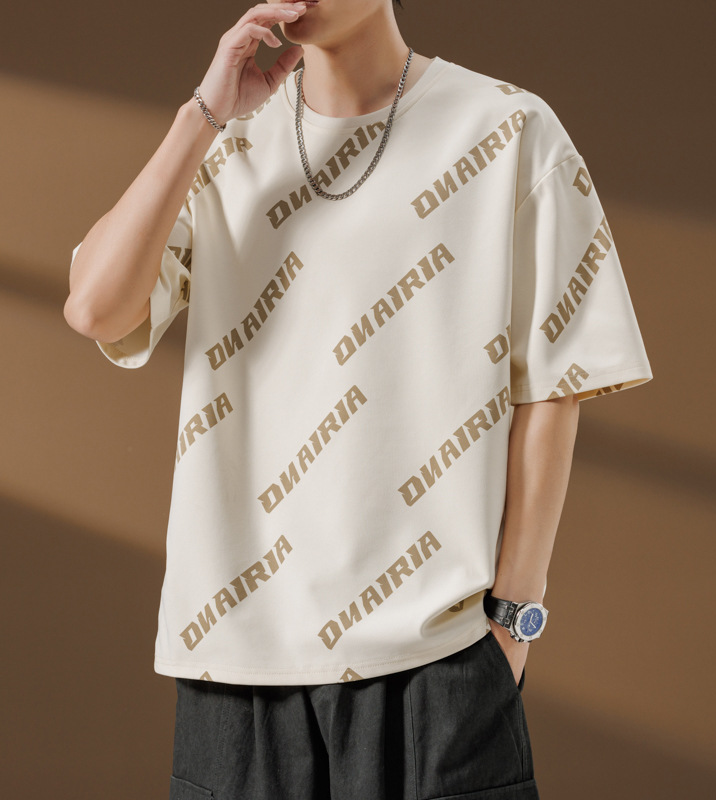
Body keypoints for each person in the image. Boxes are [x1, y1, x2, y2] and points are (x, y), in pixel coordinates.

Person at [64, 1, 653, 797]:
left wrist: (513, 619)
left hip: (436, 659)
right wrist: (202, 115)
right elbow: (96, 309)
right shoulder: (225, 142)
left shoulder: (509, 128)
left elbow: (554, 381)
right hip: (233, 662)